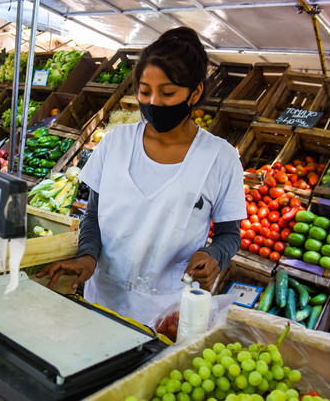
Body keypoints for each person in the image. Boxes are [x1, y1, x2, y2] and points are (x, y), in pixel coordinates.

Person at [37, 27, 246, 325]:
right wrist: (87, 256)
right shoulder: (114, 143)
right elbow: (93, 216)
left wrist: (213, 255)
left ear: (196, 92)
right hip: (101, 301)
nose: (154, 102)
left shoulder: (220, 158)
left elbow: (229, 234)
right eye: (145, 91)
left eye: (168, 93)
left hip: (166, 312)